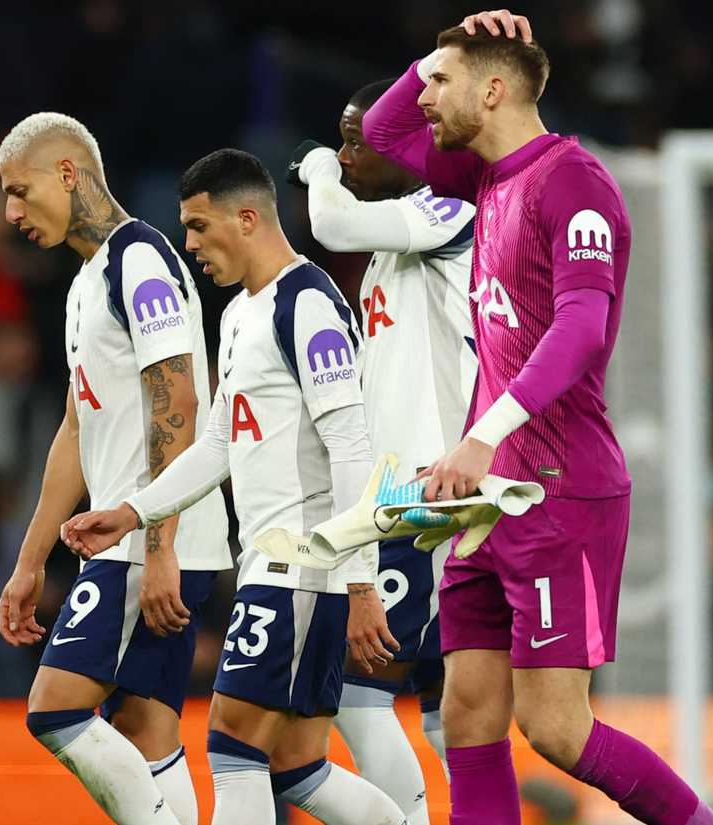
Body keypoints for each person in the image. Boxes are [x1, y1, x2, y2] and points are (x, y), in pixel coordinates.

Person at [362, 11, 713, 824]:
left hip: (559, 492)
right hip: (487, 498)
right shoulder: (483, 177)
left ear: (492, 91)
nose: (423, 94)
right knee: (467, 714)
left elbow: (583, 329)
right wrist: (441, 43)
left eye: (442, 81)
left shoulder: (575, 182)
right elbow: (381, 137)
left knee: (556, 727)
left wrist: (484, 434)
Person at [61, 149, 407, 825]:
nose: (188, 246)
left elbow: (351, 443)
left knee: (232, 747)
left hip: (302, 567)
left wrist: (362, 580)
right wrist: (134, 511)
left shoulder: (306, 304)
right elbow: (217, 443)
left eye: (197, 226)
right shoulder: (242, 315)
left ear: (246, 218)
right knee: (298, 767)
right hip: (279, 569)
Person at [0, 112, 230, 825]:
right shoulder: (85, 284)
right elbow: (76, 428)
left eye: (18, 190)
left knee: (55, 708)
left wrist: (159, 546)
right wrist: (29, 561)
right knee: (145, 727)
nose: (10, 212)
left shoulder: (140, 261)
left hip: (148, 539)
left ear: (67, 174)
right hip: (138, 538)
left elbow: (179, 400)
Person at [287, 76, 477, 822]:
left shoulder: (449, 209)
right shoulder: (402, 243)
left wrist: (315, 170)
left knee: (356, 695)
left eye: (357, 140)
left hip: (423, 495)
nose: (345, 154)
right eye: (339, 142)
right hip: (412, 494)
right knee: (444, 711)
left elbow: (330, 224)